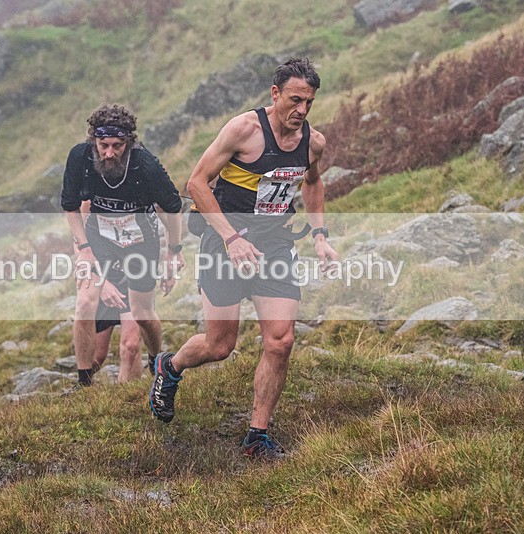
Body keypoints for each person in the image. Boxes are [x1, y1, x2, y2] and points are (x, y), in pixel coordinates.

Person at [149, 58, 339, 459]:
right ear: (275, 94)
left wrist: (320, 236)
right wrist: (231, 237)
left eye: (309, 102)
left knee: (281, 341)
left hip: (274, 246)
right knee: (220, 346)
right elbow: (196, 183)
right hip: (225, 244)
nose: (301, 111)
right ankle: (170, 367)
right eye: (294, 100)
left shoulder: (312, 143)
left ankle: (257, 435)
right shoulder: (244, 130)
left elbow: (314, 183)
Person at [61, 103, 184, 387]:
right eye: (103, 145)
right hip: (99, 237)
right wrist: (84, 250)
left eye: (117, 145)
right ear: (94, 140)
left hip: (141, 240)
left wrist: (173, 252)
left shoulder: (145, 165)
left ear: (129, 142)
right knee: (84, 303)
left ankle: (156, 359)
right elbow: (70, 207)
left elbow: (173, 208)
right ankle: (84, 383)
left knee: (142, 313)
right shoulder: (80, 157)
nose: (109, 153)